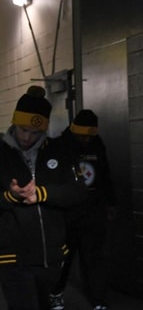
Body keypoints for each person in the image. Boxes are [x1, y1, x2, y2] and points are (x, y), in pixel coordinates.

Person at [0, 86, 87, 310]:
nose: (27, 137)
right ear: (14, 123)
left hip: (51, 258)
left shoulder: (60, 151)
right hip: (12, 257)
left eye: (34, 132)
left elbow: (77, 192)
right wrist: (10, 197)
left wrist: (42, 193)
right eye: (22, 129)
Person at [51, 109, 117, 310]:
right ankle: (56, 293)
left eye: (89, 137)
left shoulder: (97, 144)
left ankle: (98, 300)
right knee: (63, 259)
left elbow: (105, 174)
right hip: (67, 214)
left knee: (94, 259)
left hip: (93, 212)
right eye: (82, 136)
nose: (85, 141)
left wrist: (111, 203)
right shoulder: (59, 146)